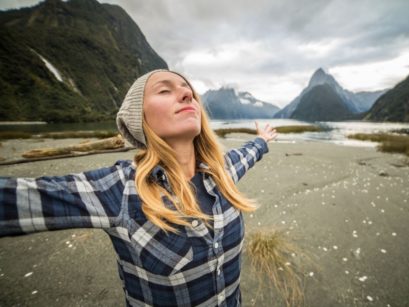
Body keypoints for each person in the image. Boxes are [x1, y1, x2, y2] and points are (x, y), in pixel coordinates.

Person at [0, 69, 277, 306]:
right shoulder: (121, 190)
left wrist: (262, 139)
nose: (186, 94)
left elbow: (247, 154)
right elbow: (20, 199)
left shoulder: (222, 172)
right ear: (139, 118)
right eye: (164, 91)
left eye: (187, 90)